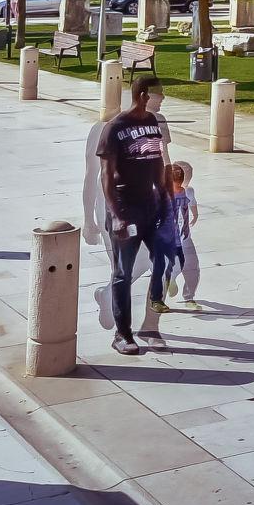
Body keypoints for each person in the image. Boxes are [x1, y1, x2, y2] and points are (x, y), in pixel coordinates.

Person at [96, 75, 173, 355]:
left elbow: (156, 163)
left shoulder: (152, 123)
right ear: (142, 95)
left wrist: (165, 199)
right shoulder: (115, 127)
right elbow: (106, 175)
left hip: (150, 205)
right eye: (157, 94)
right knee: (123, 274)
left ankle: (150, 323)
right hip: (124, 207)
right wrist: (116, 215)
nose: (162, 98)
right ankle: (122, 334)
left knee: (164, 261)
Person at [159, 161, 200, 310]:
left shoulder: (189, 191)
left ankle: (189, 296)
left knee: (192, 267)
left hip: (185, 239)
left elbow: (193, 204)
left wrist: (195, 215)